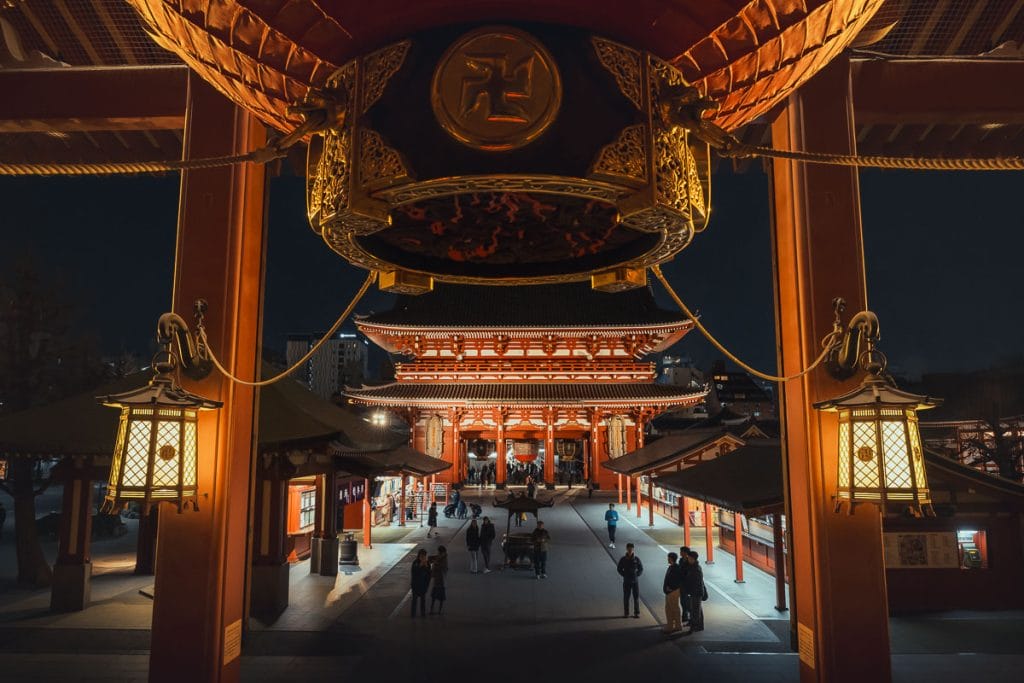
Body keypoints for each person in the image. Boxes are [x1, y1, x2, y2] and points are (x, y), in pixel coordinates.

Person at [616, 543, 643, 618]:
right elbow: (619, 569)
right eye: (629, 549)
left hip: (635, 581)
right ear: (626, 549)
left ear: (633, 549)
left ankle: (636, 613)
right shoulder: (623, 559)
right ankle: (626, 613)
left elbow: (641, 568)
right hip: (627, 581)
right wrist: (624, 575)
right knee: (626, 597)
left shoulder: (636, 559)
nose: (630, 550)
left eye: (631, 549)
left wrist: (637, 574)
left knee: (636, 597)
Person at [683, 550, 705, 634]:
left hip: (696, 592)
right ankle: (699, 626)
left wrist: (690, 591)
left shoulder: (696, 569)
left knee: (695, 610)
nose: (688, 559)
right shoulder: (693, 566)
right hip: (696, 592)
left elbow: (695, 582)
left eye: (689, 558)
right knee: (697, 609)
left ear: (693, 559)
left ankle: (694, 627)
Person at [662, 552, 684, 634]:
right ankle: (672, 625)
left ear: (671, 558)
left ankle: (675, 625)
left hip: (673, 591)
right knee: (670, 608)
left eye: (668, 558)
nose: (667, 559)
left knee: (673, 608)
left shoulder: (675, 568)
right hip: (670, 591)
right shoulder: (672, 567)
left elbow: (678, 580)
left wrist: (671, 588)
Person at [410, 549, 431, 618]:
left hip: (423, 585)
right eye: (422, 556)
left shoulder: (427, 563)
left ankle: (423, 613)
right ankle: (413, 614)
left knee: (423, 600)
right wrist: (420, 566)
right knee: (414, 600)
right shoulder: (415, 563)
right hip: (416, 585)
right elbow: (414, 573)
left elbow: (429, 574)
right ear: (419, 556)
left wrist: (427, 566)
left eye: (424, 556)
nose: (423, 558)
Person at [429, 545, 449, 615]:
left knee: (437, 596)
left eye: (439, 552)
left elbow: (444, 568)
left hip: (441, 580)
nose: (438, 553)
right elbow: (431, 558)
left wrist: (435, 563)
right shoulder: (440, 557)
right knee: (435, 596)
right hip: (438, 580)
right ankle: (435, 610)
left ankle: (436, 610)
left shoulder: (443, 559)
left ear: (441, 552)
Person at [679, 545, 692, 622]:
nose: (680, 553)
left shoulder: (688, 562)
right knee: (682, 601)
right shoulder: (680, 560)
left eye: (681, 551)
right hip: (682, 584)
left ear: (685, 553)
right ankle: (685, 616)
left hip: (687, 585)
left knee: (687, 602)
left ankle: (689, 617)